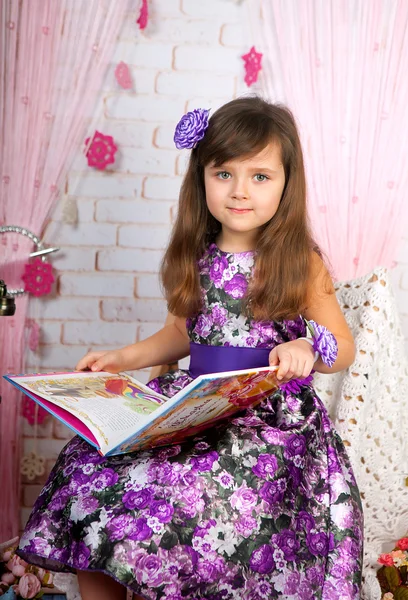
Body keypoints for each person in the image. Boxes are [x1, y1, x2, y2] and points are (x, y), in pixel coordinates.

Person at [17, 97, 363, 600]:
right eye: (224, 174)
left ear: (288, 183)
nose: (240, 191)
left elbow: (346, 349)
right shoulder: (195, 255)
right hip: (193, 404)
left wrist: (307, 346)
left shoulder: (299, 262)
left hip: (264, 418)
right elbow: (179, 335)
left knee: (194, 494)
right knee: (90, 469)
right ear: (202, 177)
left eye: (260, 176)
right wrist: (123, 358)